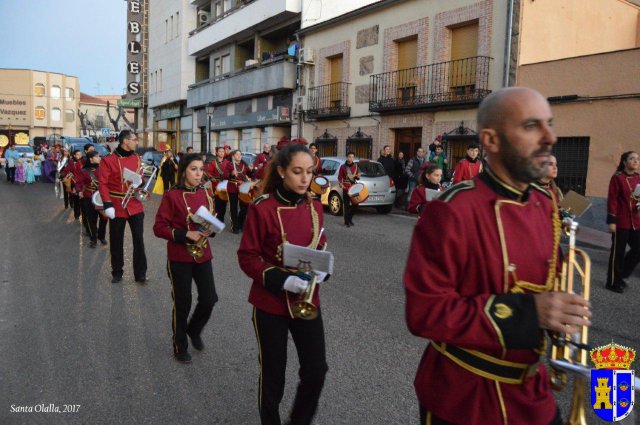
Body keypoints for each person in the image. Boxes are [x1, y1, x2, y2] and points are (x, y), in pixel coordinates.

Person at [404, 87, 592, 425]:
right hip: (466, 398)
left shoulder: (545, 202)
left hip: (533, 395)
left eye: (549, 124)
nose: (550, 137)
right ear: (491, 141)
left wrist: (562, 310)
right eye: (532, 126)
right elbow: (424, 312)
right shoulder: (452, 210)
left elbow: (549, 278)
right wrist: (530, 312)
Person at [237, 143, 328, 425]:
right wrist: (283, 279)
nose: (305, 179)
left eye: (310, 172)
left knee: (316, 370)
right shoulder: (263, 208)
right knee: (274, 373)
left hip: (307, 299)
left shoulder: (315, 207)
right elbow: (247, 257)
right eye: (297, 172)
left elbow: (319, 244)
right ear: (281, 171)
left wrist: (323, 269)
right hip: (271, 302)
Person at [154, 154, 219, 364]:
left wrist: (211, 230)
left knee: (209, 298)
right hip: (180, 256)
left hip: (203, 254)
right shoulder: (172, 195)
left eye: (201, 169)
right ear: (184, 171)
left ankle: (194, 329)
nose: (199, 173)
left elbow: (209, 221)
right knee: (183, 303)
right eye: (194, 169)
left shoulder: (207, 193)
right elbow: (159, 227)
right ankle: (179, 344)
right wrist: (184, 235)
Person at [98, 130, 148, 284]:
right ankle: (117, 271)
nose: (136, 142)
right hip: (117, 206)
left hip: (135, 204)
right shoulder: (108, 160)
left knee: (139, 240)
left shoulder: (137, 158)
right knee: (116, 240)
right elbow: (103, 184)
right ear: (125, 141)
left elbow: (141, 177)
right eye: (134, 139)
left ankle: (140, 273)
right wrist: (107, 204)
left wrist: (142, 182)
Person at [605, 151, 640, 293]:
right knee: (617, 253)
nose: (636, 161)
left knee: (638, 249)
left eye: (637, 159)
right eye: (632, 159)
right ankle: (613, 282)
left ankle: (622, 275)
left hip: (636, 221)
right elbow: (612, 200)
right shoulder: (617, 178)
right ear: (625, 162)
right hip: (621, 221)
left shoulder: (639, 178)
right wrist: (611, 221)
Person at [75, 151, 108, 247]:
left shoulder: (103, 168)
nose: (99, 158)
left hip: (102, 197)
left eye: (99, 156)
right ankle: (93, 239)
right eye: (97, 157)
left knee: (104, 218)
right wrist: (79, 191)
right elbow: (78, 183)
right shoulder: (84, 170)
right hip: (89, 197)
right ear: (91, 159)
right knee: (91, 219)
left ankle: (101, 236)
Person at [224, 149, 251, 234]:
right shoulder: (229, 164)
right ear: (233, 156)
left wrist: (251, 170)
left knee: (245, 208)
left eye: (240, 154)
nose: (239, 156)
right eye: (237, 154)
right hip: (232, 188)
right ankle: (235, 227)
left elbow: (250, 175)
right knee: (233, 208)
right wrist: (231, 174)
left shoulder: (244, 164)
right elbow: (224, 176)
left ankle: (240, 224)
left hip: (243, 189)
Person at [206, 146, 230, 223]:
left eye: (223, 151)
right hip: (215, 185)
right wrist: (211, 177)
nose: (221, 153)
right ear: (217, 153)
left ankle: (221, 218)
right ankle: (216, 218)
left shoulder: (227, 162)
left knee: (224, 203)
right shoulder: (213, 162)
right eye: (220, 151)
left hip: (224, 185)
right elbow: (208, 172)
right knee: (217, 203)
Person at [338, 152, 360, 227]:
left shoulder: (356, 166)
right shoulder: (343, 167)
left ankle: (349, 218)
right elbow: (339, 177)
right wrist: (341, 184)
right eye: (350, 157)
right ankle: (347, 221)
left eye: (352, 157)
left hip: (353, 187)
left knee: (356, 204)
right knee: (346, 205)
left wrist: (358, 176)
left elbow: (357, 177)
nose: (351, 158)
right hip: (346, 187)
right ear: (347, 157)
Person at [64, 150, 84, 220]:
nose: (79, 156)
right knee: (76, 200)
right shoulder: (72, 162)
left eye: (80, 154)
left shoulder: (83, 162)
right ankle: (76, 214)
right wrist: (68, 174)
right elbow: (66, 170)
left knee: (82, 200)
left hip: (83, 184)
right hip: (75, 183)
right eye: (78, 154)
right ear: (74, 155)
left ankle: (83, 214)